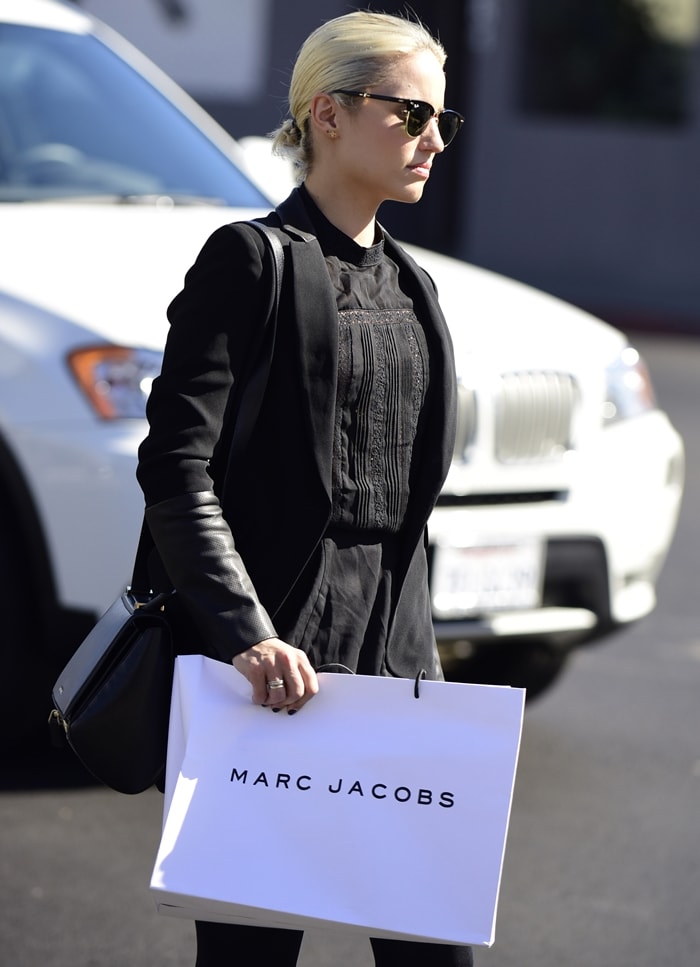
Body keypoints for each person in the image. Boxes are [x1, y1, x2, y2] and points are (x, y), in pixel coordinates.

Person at [136, 9, 470, 967]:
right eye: (412, 114)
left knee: (432, 942)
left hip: (399, 660)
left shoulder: (415, 285)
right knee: (251, 952)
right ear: (328, 113)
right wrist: (247, 637)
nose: (435, 140)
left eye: (445, 118)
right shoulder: (250, 260)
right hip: (275, 665)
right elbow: (175, 466)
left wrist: (424, 656)